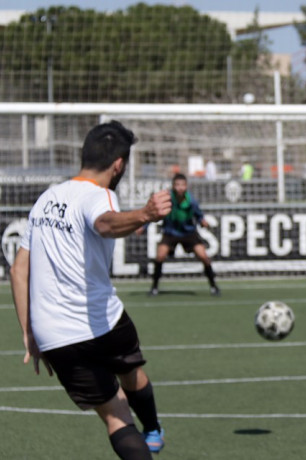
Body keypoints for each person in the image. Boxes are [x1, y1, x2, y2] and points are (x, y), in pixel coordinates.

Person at [9, 121, 172, 459]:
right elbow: (104, 223)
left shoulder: (46, 199)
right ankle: (154, 429)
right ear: (119, 165)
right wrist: (144, 213)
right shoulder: (100, 195)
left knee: (116, 418)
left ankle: (150, 432)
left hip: (56, 336)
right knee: (131, 374)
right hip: (103, 323)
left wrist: (29, 332)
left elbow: (18, 268)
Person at [144, 173, 220, 296]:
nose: (180, 188)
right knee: (160, 256)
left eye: (182, 185)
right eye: (177, 185)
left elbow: (198, 215)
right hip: (171, 232)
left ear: (186, 186)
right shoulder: (167, 199)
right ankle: (154, 287)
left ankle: (213, 286)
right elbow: (156, 213)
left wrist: (202, 221)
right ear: (173, 186)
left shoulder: (191, 200)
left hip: (188, 233)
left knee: (204, 256)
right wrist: (144, 227)